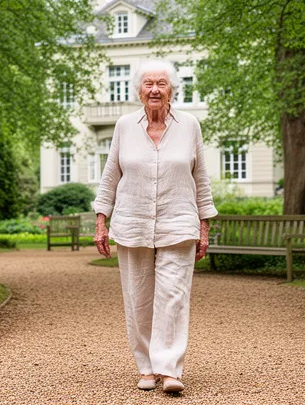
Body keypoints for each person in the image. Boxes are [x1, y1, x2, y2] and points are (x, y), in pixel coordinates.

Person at [93, 59, 218, 394]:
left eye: (161, 83)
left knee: (173, 296)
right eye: (148, 83)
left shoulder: (190, 125)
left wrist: (204, 228)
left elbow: (201, 179)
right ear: (138, 90)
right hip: (132, 222)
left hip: (179, 223)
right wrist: (101, 221)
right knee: (138, 298)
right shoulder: (123, 126)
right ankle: (147, 367)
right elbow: (110, 177)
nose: (154, 89)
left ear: (172, 90)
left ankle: (170, 369)